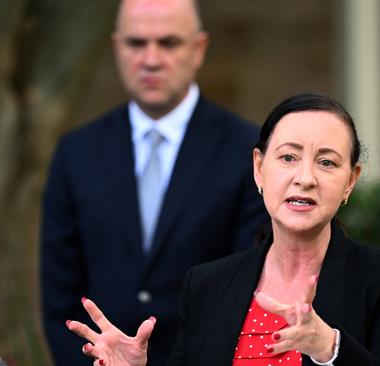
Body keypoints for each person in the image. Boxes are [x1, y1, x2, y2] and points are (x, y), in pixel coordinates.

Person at [65, 92, 380, 366]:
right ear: (259, 168)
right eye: (288, 157)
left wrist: (329, 347)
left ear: (350, 181)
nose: (305, 178)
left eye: (327, 162)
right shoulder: (208, 284)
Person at [39, 0, 267, 365]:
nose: (150, 59)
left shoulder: (248, 152)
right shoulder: (76, 152)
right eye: (136, 43)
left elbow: (249, 289)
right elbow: (59, 298)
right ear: (116, 48)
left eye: (169, 43)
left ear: (199, 49)